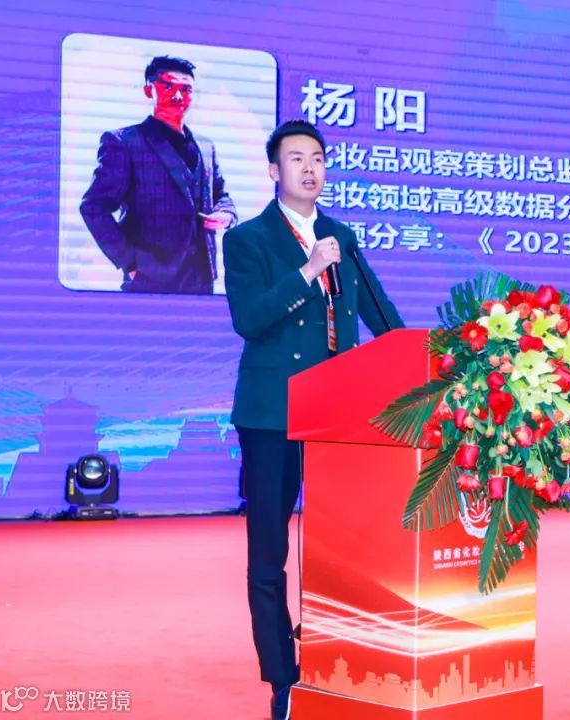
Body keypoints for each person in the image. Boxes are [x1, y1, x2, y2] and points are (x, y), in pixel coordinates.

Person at [223, 119, 403, 720]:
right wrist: (306, 272)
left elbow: (381, 316)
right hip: (271, 415)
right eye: (297, 158)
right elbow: (249, 320)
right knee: (268, 551)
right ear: (274, 171)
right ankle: (282, 677)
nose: (309, 168)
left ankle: (335, 656)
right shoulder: (247, 240)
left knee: (338, 548)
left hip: (336, 415)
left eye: (318, 158)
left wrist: (421, 362)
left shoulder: (341, 236)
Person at [80, 55, 237, 294]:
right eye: (168, 87)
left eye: (186, 89)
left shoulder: (206, 146)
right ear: (148, 90)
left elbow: (221, 195)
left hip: (202, 277)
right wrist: (130, 262)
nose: (178, 96)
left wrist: (225, 214)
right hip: (149, 279)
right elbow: (94, 207)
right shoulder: (124, 142)